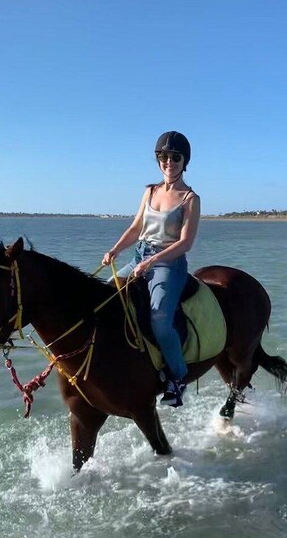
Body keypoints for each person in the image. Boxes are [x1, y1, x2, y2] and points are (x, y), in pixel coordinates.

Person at [102, 131, 201, 407]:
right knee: (105, 299)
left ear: (184, 161)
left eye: (175, 157)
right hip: (140, 256)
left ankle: (178, 377)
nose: (169, 162)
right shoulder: (150, 191)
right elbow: (136, 229)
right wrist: (115, 250)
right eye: (164, 157)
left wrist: (153, 262)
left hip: (169, 264)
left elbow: (186, 243)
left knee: (159, 318)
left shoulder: (190, 199)